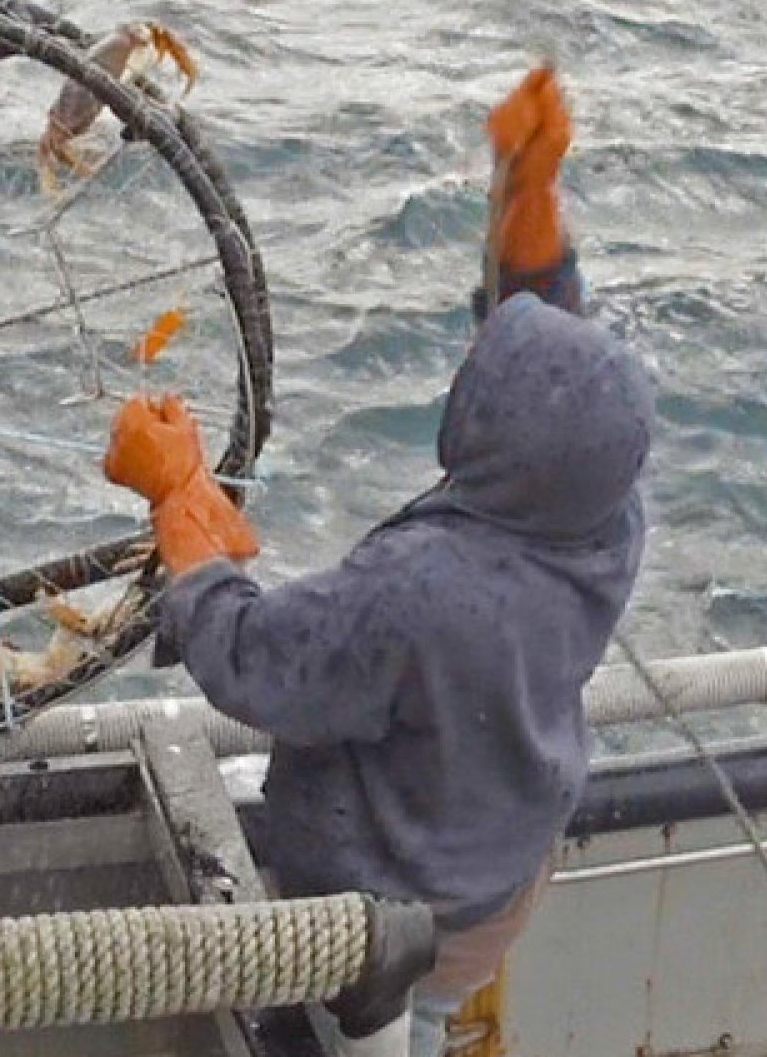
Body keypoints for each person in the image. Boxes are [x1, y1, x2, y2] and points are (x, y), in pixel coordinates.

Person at [103, 66, 654, 1057]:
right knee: (434, 999)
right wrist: (525, 190)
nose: (467, 366)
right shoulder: (603, 519)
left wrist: (173, 495)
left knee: (383, 1024)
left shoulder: (422, 591)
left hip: (393, 911)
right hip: (494, 873)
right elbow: (553, 361)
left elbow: (254, 658)